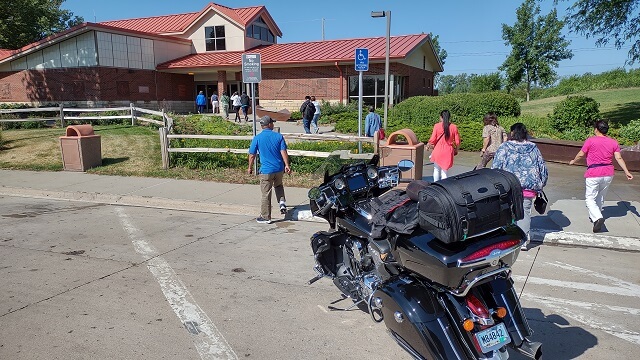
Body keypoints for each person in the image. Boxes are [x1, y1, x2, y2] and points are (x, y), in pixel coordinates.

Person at [569, 120, 634, 232]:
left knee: (590, 198)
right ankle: (596, 218)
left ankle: (598, 218)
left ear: (596, 129)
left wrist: (573, 161)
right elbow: (618, 158)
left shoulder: (590, 140)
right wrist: (626, 171)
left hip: (594, 172)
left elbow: (581, 154)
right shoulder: (613, 142)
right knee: (600, 196)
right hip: (608, 173)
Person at [492, 123, 548, 250]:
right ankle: (522, 240)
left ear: (512, 133)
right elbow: (542, 168)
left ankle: (509, 239)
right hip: (528, 187)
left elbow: (496, 167)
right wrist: (541, 184)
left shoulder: (505, 147)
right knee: (524, 212)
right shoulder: (533, 148)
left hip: (509, 186)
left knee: (509, 212)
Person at [248, 116, 292, 224]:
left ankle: (265, 217)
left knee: (266, 193)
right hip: (279, 169)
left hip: (266, 171)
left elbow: (252, 155)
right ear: (268, 125)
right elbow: (283, 152)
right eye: (272, 123)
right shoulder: (278, 137)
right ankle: (282, 202)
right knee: (278, 186)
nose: (273, 124)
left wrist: (250, 167)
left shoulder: (257, 138)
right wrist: (287, 165)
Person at [426, 110, 461, 182]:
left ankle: (435, 185)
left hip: (438, 150)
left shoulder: (437, 126)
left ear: (441, 117)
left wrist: (428, 145)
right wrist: (456, 150)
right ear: (449, 117)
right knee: (444, 171)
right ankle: (444, 186)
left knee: (436, 169)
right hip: (448, 151)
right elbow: (457, 142)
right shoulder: (454, 127)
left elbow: (432, 139)